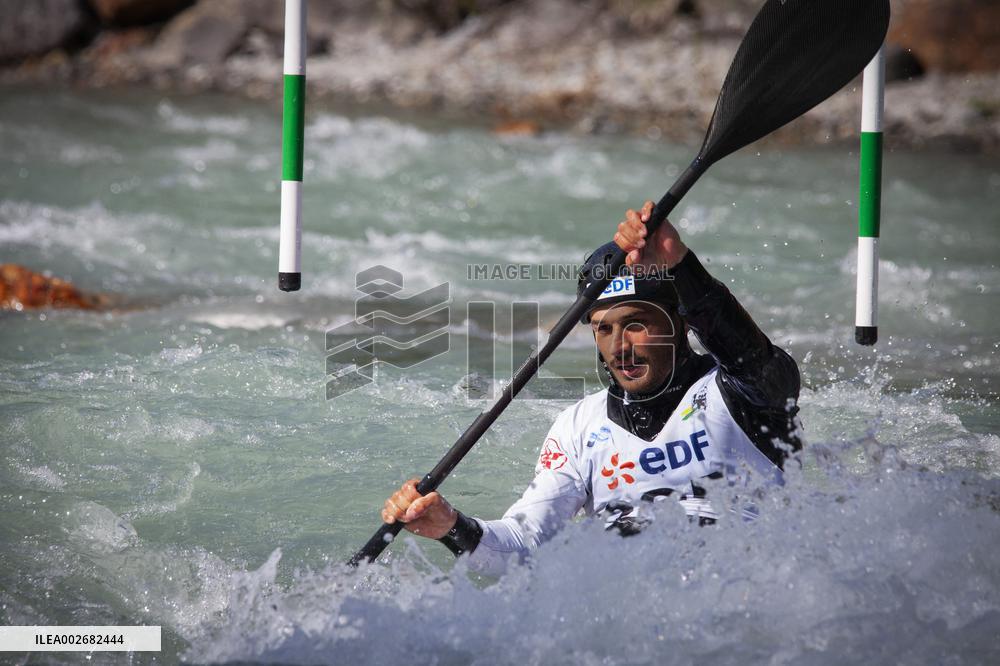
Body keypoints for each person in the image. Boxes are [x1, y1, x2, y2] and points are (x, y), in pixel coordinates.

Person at [382, 201, 802, 575]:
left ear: (681, 322)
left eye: (637, 324)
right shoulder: (577, 428)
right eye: (604, 329)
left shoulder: (738, 392)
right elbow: (523, 545)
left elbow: (757, 360)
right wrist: (450, 526)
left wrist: (680, 265)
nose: (620, 347)